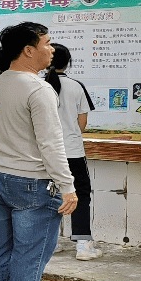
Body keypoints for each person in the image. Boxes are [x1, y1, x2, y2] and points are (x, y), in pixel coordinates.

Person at [0, 22, 78, 281]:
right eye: (48, 43)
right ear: (28, 50)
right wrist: (68, 186)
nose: (52, 49)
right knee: (29, 254)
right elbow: (51, 143)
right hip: (32, 183)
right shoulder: (38, 88)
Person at [46, 44, 98, 260]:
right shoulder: (76, 86)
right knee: (81, 195)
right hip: (73, 151)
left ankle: (51, 242)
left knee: (49, 196)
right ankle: (83, 245)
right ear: (68, 62)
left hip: (46, 153)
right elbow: (82, 123)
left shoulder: (40, 86)